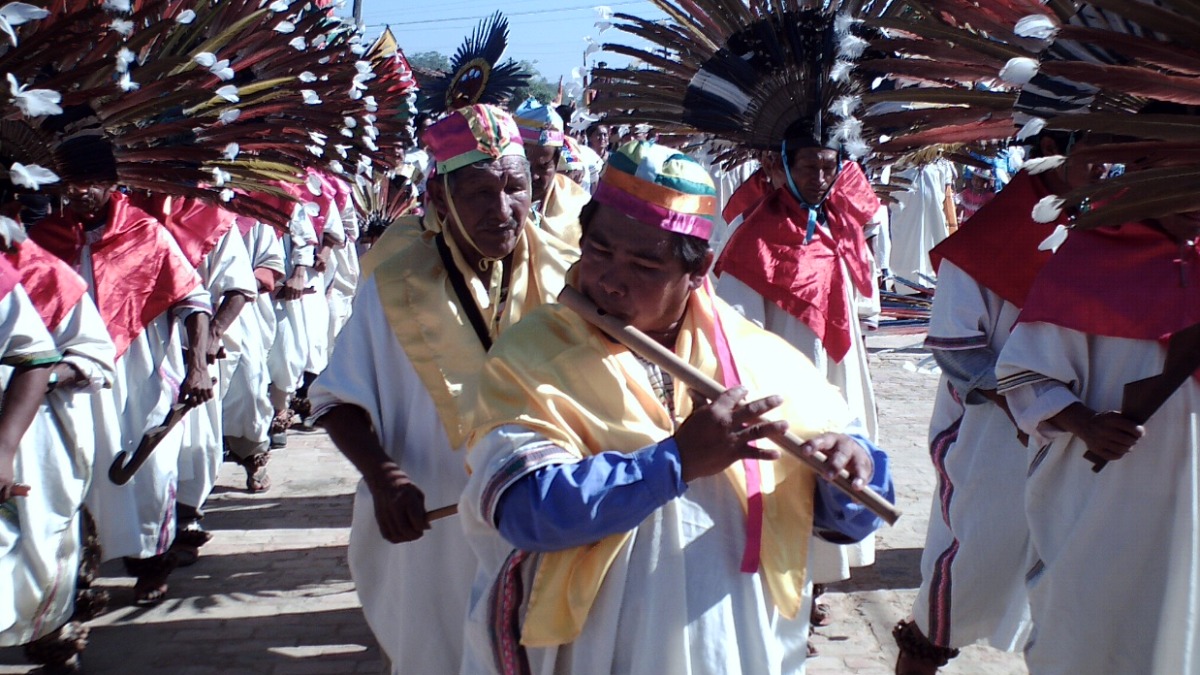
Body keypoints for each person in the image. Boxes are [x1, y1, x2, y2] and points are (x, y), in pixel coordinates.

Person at [459, 141, 892, 675]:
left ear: (699, 269)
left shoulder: (756, 356)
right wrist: (677, 461)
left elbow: (858, 514)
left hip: (737, 640)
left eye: (644, 264)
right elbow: (527, 512)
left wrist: (848, 469)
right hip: (596, 646)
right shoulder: (530, 355)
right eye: (597, 251)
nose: (610, 279)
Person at [308, 104, 575, 674]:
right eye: (480, 193)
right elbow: (336, 399)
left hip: (546, 517)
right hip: (432, 528)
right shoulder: (396, 287)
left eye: (514, 186)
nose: (502, 210)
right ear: (442, 198)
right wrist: (383, 477)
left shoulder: (571, 280)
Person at [893, 137, 1085, 671]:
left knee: (1066, 582)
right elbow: (956, 345)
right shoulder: (992, 236)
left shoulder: (1103, 224)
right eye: (1097, 142)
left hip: (1078, 437)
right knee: (970, 560)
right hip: (989, 436)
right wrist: (1029, 405)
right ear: (1052, 145)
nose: (1111, 158)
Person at [31, 184, 213, 605]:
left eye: (88, 180)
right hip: (72, 376)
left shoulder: (146, 232)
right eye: (69, 180)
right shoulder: (46, 238)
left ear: (109, 183)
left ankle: (151, 564)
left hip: (140, 374)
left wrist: (198, 366)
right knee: (77, 473)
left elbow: (192, 299)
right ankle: (78, 570)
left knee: (148, 475)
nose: (79, 191)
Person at [0, 235, 115, 673]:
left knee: (40, 543)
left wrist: (50, 377)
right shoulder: (58, 234)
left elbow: (92, 352)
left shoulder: (45, 270)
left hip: (40, 434)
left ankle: (52, 634)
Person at [513, 98, 588, 247]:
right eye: (525, 166)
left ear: (557, 161)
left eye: (543, 167)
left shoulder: (579, 207)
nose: (533, 176)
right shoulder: (495, 205)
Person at [888, 158, 956, 293]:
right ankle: (904, 289)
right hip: (905, 218)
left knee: (932, 244)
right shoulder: (898, 161)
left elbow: (946, 194)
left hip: (933, 219)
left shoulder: (940, 162)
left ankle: (931, 286)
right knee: (904, 251)